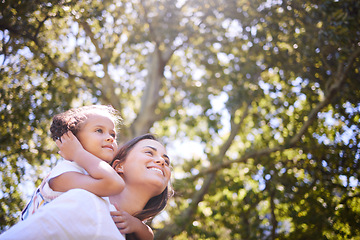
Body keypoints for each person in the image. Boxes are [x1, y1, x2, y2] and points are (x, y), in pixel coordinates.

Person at [0, 133, 172, 240]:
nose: (161, 161)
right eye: (149, 152)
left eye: (166, 161)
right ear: (119, 166)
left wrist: (138, 226)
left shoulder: (129, 232)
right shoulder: (84, 199)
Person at [19, 105, 153, 239]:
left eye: (112, 134)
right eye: (99, 130)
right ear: (73, 138)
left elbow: (148, 237)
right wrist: (78, 153)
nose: (110, 138)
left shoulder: (96, 186)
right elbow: (115, 184)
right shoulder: (64, 172)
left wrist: (136, 225)